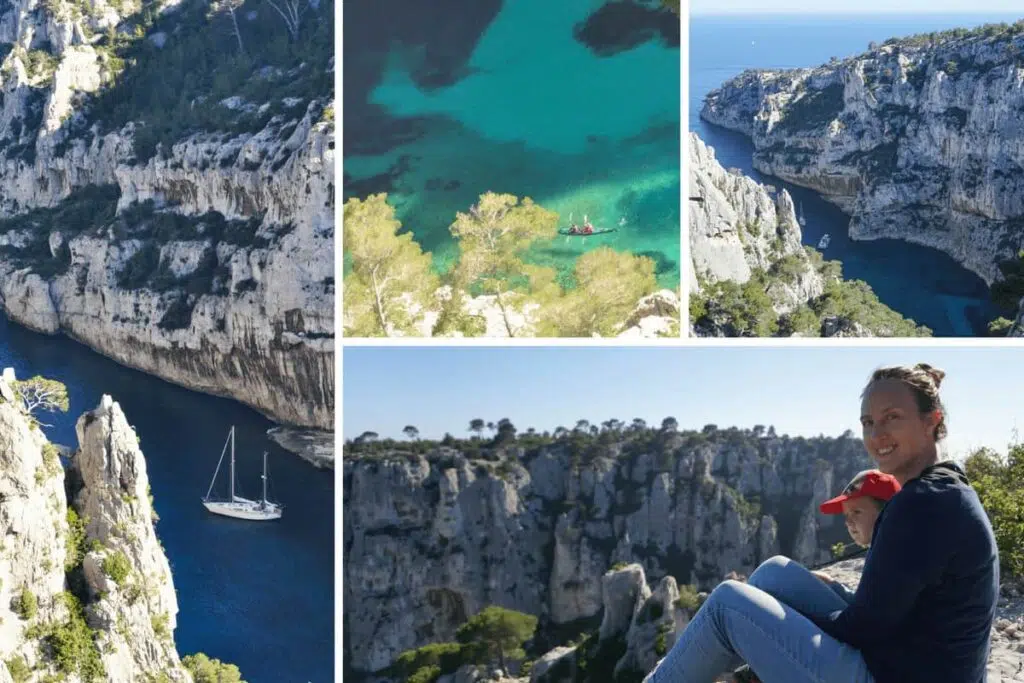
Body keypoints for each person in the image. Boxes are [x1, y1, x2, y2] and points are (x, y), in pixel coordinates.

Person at [648, 363, 999, 683]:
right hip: (910, 655)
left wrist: (786, 617)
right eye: (868, 422)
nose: (876, 435)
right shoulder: (948, 486)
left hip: (895, 673)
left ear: (932, 420)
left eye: (892, 417)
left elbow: (862, 628)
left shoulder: (921, 502)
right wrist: (830, 597)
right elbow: (894, 608)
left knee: (727, 604)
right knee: (774, 573)